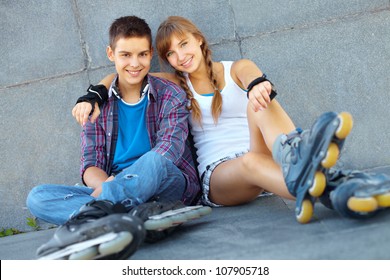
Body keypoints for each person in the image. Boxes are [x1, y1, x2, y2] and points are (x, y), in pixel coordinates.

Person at [73, 16, 390, 226]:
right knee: (252, 161)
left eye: (184, 44)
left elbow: (251, 76)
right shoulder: (173, 84)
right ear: (166, 60)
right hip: (221, 177)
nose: (180, 56)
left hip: (265, 153)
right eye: (170, 53)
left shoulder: (235, 67)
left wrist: (258, 85)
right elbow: (123, 73)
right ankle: (318, 168)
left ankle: (315, 172)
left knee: (259, 101)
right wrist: (94, 94)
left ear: (198, 39)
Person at [26, 16, 211, 260]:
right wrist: (107, 186)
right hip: (114, 183)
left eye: (142, 55)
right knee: (38, 197)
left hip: (166, 182)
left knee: (153, 160)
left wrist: (112, 188)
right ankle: (134, 216)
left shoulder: (170, 95)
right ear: (111, 54)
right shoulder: (96, 107)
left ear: (150, 53)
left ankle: (91, 222)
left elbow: (170, 150)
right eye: (125, 55)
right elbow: (91, 164)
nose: (135, 63)